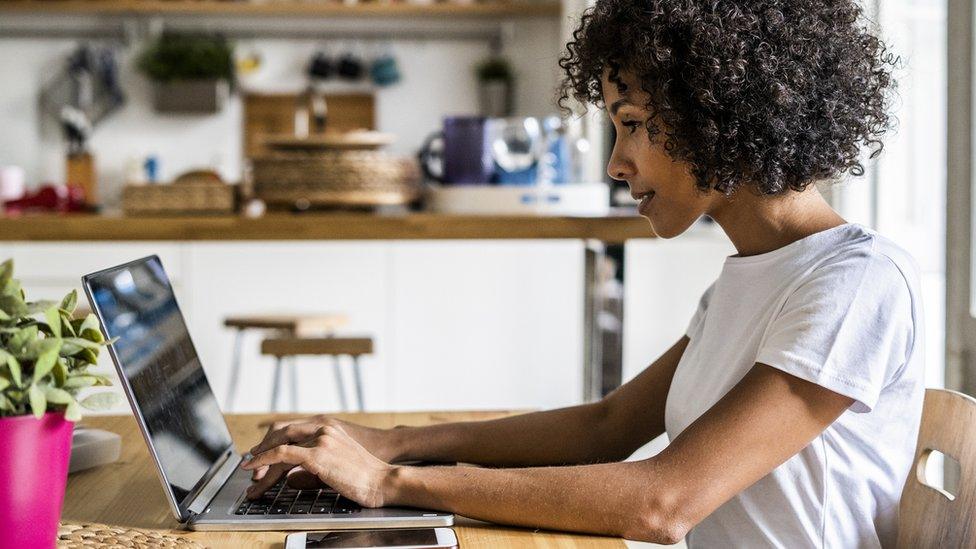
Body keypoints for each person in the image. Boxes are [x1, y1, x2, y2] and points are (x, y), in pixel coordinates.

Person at [242, 0, 924, 545]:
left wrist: (391, 480)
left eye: (631, 125)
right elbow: (608, 424)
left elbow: (664, 501)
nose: (616, 163)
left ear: (715, 114)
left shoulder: (854, 283)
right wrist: (396, 442)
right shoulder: (749, 277)